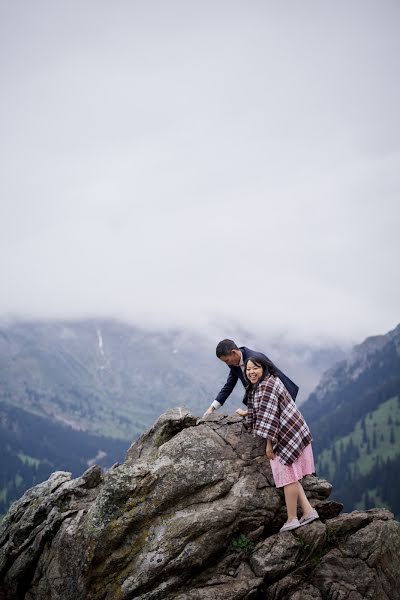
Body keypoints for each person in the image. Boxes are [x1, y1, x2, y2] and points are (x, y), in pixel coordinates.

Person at [244, 355, 319, 532]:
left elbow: (270, 419)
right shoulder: (267, 382)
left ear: (264, 368)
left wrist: (269, 445)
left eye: (255, 368)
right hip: (294, 432)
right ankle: (308, 511)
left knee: (287, 477)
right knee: (291, 475)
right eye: (248, 369)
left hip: (287, 436)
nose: (251, 372)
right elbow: (262, 411)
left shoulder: (268, 385)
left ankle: (292, 518)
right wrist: (246, 415)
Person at [202, 339, 299, 417]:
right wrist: (212, 408)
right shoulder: (233, 363)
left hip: (281, 397)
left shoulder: (256, 358)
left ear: (234, 352)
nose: (226, 363)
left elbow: (268, 387)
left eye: (227, 360)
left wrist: (248, 411)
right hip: (261, 401)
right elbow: (228, 386)